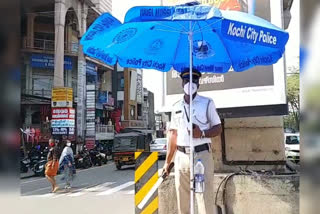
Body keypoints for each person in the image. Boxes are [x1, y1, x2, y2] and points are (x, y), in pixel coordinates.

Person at [162, 68, 222, 214]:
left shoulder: (207, 103)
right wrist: (167, 162)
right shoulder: (176, 106)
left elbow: (218, 128)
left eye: (194, 80)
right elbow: (173, 136)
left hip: (201, 156)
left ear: (198, 84)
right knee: (182, 199)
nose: (190, 83)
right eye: (187, 80)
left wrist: (201, 133)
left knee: (204, 198)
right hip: (181, 157)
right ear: (182, 83)